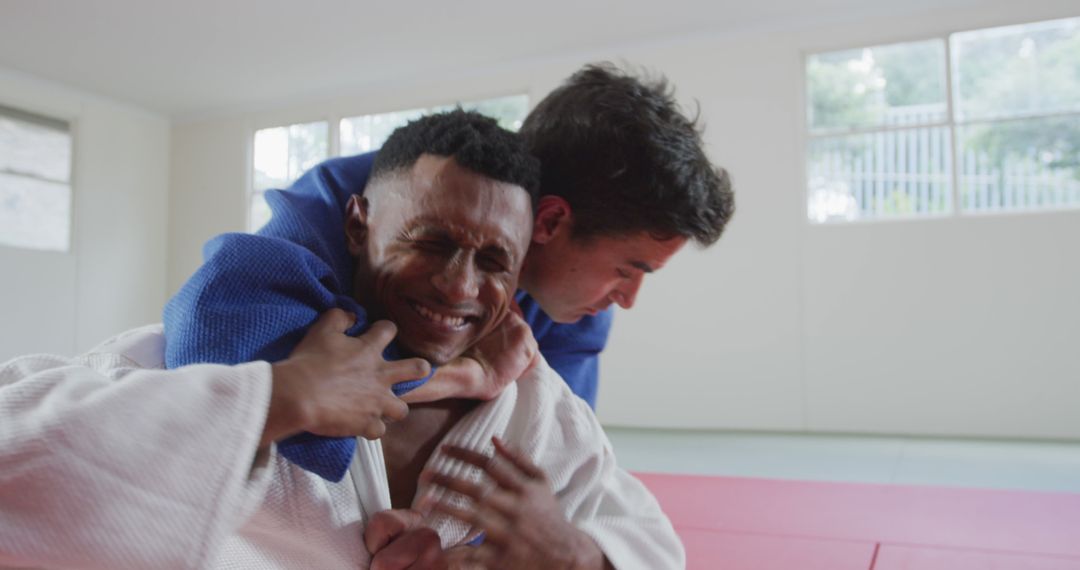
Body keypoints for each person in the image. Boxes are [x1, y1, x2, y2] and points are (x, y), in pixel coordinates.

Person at [0, 111, 682, 569]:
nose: (457, 285)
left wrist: (575, 557)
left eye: (493, 261)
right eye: (431, 241)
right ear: (358, 225)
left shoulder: (545, 417)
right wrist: (278, 400)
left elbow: (653, 547)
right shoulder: (233, 350)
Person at [272, 63, 734, 409]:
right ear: (550, 222)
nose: (628, 298)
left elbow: (553, 454)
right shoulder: (340, 203)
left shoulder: (577, 312)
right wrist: (466, 379)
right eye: (626, 270)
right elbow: (248, 392)